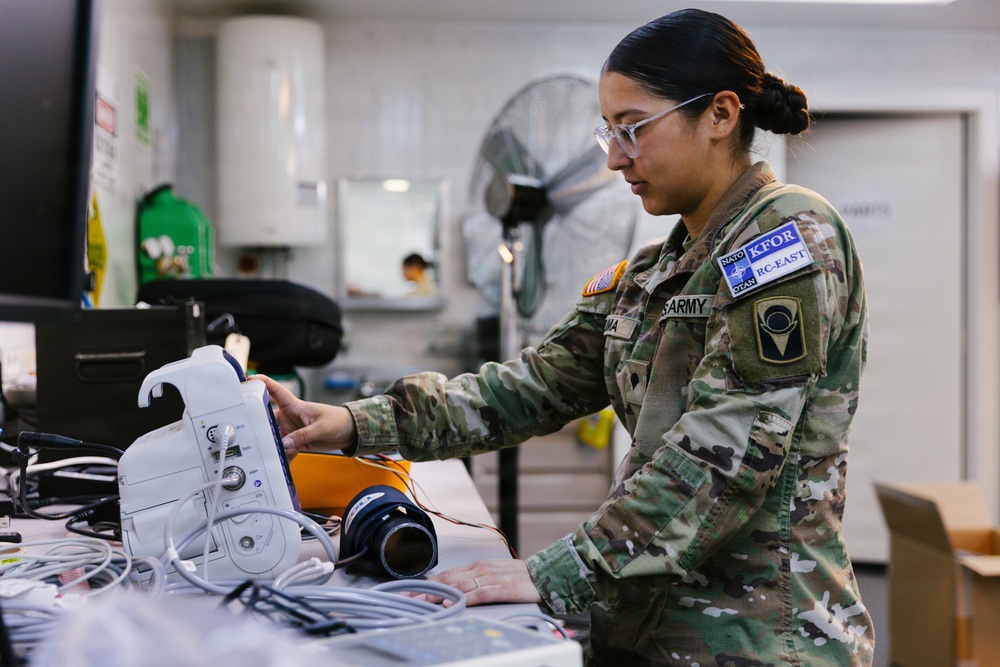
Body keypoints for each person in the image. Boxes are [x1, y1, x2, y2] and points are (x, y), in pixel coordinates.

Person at [261, 8, 874, 666]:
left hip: (758, 642)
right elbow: (523, 391)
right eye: (607, 131)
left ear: (721, 115)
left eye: (633, 128)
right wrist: (352, 422)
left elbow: (723, 457)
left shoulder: (787, 240)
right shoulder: (647, 275)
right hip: (647, 633)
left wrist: (559, 570)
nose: (614, 158)